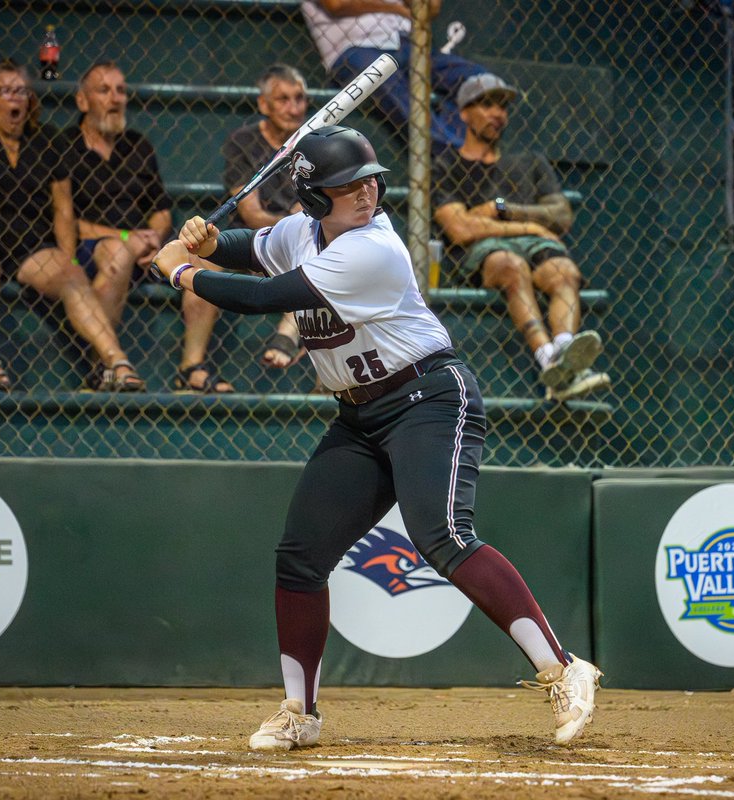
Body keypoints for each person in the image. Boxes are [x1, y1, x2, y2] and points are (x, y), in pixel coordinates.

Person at [151, 125, 602, 751]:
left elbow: (265, 296)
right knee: (301, 557)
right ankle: (298, 713)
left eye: (368, 181)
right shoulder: (296, 233)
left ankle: (562, 667)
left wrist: (182, 273)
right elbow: (247, 249)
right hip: (359, 416)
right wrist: (205, 239)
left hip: (428, 399)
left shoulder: (373, 249)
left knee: (442, 535)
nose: (364, 193)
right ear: (313, 200)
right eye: (345, 187)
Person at [0, 60, 145, 393]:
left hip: (31, 243)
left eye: (22, 91)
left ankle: (116, 361)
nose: (16, 99)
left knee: (73, 277)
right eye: (6, 91)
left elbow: (62, 207)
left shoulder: (45, 140)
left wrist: (68, 258)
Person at [432, 73, 610, 402]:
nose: (498, 113)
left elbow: (560, 216)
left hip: (536, 247)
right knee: (510, 264)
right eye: (486, 104)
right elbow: (460, 229)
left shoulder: (530, 162)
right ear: (464, 113)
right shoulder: (447, 165)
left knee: (564, 272)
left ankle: (563, 353)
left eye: (503, 106)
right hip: (484, 256)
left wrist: (501, 210)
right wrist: (531, 225)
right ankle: (548, 359)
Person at [58, 61, 217, 391]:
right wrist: (129, 239)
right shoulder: (62, 147)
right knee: (117, 252)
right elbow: (65, 220)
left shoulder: (138, 145)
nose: (115, 99)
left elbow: (160, 210)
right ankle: (102, 366)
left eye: (120, 91)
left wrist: (153, 240)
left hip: (145, 247)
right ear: (82, 101)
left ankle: (191, 367)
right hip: (91, 247)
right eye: (104, 91)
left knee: (204, 261)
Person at [301, 0, 486, 150]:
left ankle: (466, 154)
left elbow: (430, 7)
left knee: (480, 80)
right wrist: (395, 7)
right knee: (392, 85)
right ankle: (455, 155)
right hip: (355, 47)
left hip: (410, 44)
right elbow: (337, 4)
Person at [222, 63, 310, 372]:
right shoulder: (243, 142)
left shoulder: (316, 143)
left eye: (299, 98)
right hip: (256, 242)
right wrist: (293, 219)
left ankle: (288, 332)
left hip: (306, 243)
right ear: (263, 105)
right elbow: (251, 214)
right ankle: (193, 367)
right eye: (283, 99)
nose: (294, 107)